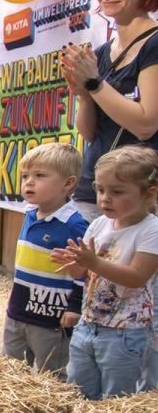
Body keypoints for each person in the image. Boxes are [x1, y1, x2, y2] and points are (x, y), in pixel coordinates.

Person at [52, 146, 158, 398]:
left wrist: (93, 263)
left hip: (125, 332)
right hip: (88, 324)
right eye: (100, 189)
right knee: (79, 393)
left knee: (116, 401)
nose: (105, 198)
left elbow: (137, 277)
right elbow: (86, 274)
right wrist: (75, 264)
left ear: (149, 194)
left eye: (117, 192)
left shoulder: (150, 230)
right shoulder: (99, 224)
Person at [61, 0, 158, 223]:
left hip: (138, 195)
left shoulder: (153, 44)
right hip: (95, 187)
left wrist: (94, 83)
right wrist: (84, 95)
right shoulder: (102, 52)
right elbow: (89, 132)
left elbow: (146, 124)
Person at [1, 143, 88, 379]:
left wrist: (75, 307)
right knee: (8, 374)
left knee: (52, 377)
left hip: (52, 321)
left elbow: (86, 271)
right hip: (17, 313)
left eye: (39, 176)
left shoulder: (75, 225)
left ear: (68, 183)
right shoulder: (29, 215)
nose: (29, 182)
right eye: (26, 176)